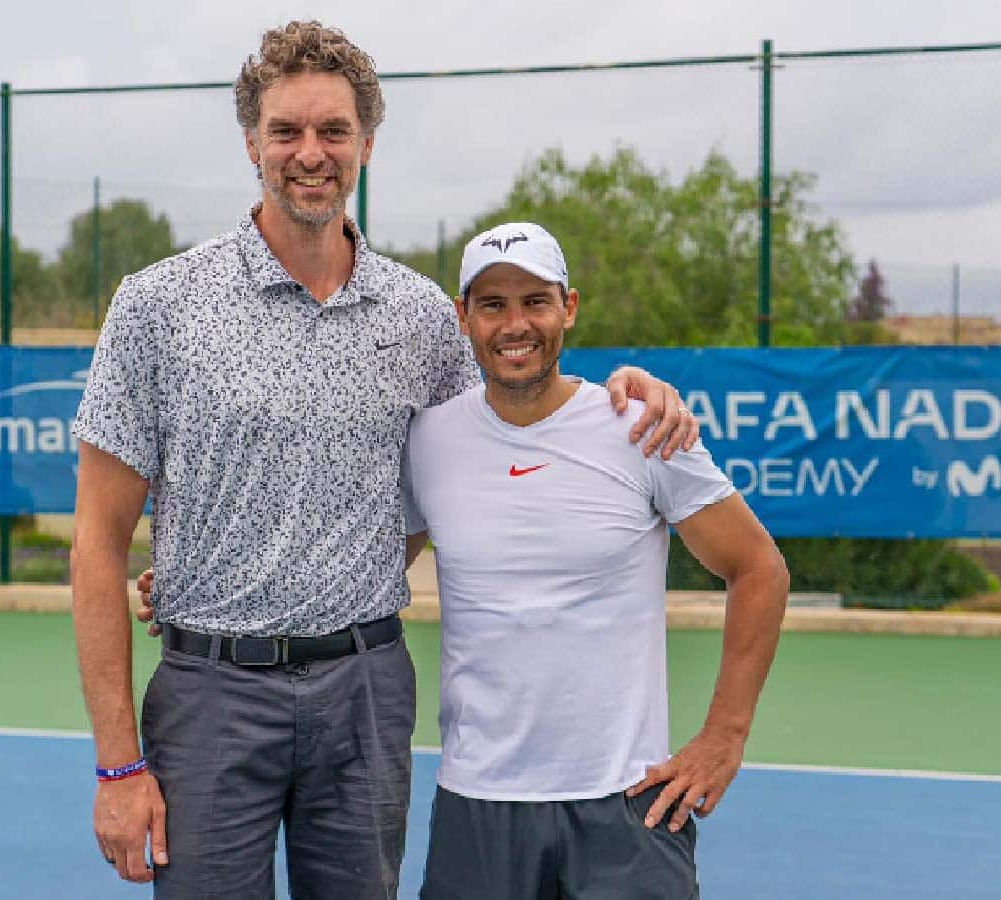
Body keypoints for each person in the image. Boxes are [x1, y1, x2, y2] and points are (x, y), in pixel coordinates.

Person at [71, 21, 697, 899]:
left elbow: (514, 411)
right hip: (209, 697)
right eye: (286, 131)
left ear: (367, 140)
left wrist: (633, 390)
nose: (310, 153)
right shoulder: (157, 305)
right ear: (252, 142)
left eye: (333, 131)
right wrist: (115, 768)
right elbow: (97, 541)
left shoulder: (422, 320)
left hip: (364, 695)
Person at [400, 222, 790, 898]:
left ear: (568, 308)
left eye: (535, 301)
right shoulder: (428, 441)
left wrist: (724, 735)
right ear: (463, 317)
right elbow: (361, 570)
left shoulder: (640, 427)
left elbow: (758, 568)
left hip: (629, 806)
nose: (515, 323)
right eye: (492, 304)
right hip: (478, 807)